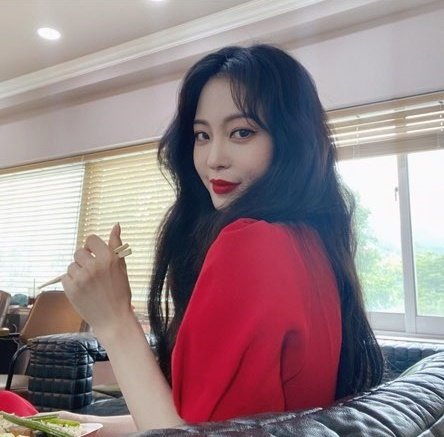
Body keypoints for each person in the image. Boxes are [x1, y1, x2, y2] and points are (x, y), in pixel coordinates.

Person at [0, 44, 383, 434]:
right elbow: (200, 423)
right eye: (202, 135)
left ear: (292, 141)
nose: (214, 158)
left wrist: (113, 318)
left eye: (242, 132)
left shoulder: (251, 246)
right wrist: (79, 424)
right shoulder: (314, 246)